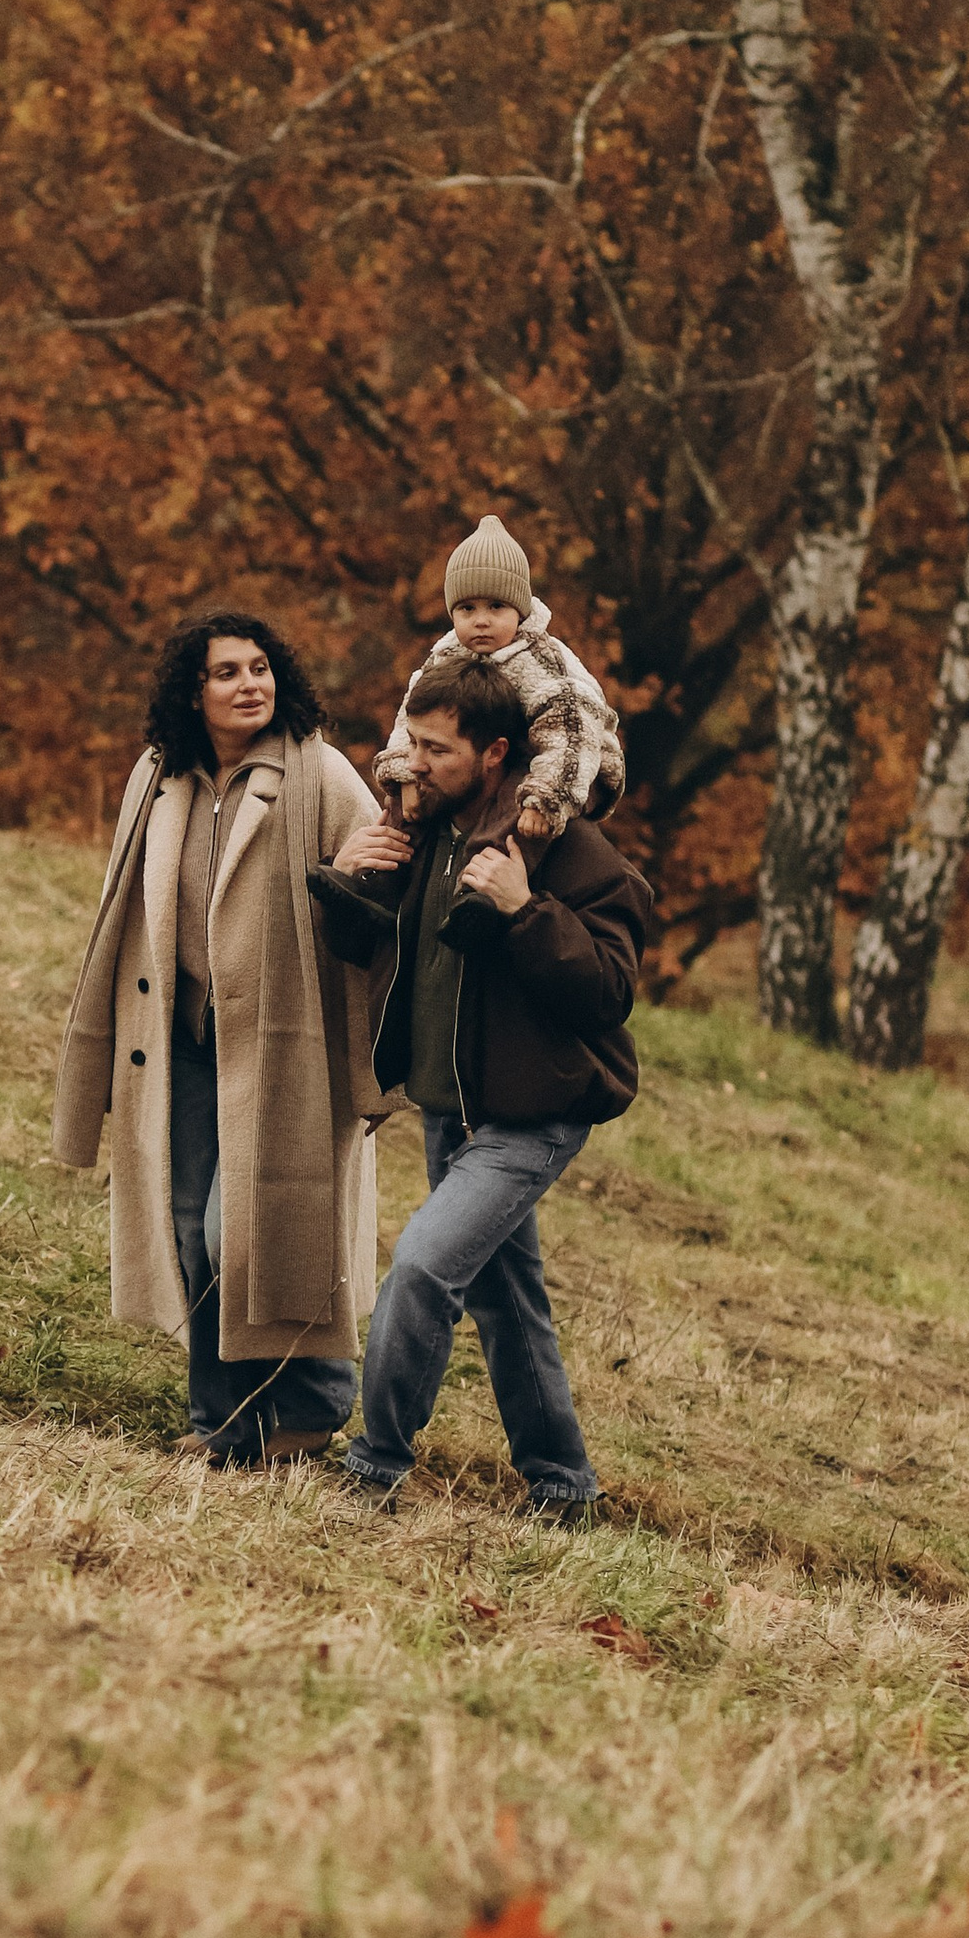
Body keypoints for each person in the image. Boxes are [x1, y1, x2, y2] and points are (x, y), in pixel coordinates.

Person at [310, 650, 653, 1522]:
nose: (412, 763)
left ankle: (375, 1464)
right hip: (450, 1107)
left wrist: (525, 911)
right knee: (507, 1302)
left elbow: (611, 991)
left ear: (496, 753)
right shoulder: (427, 829)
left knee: (422, 1268)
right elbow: (381, 955)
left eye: (436, 749)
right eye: (411, 742)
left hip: (532, 1115)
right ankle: (564, 1485)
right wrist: (351, 877)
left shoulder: (565, 847)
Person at [53, 612, 385, 1468]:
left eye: (262, 668)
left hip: (286, 1053)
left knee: (261, 1230)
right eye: (228, 672)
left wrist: (357, 878)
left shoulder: (322, 776)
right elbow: (120, 911)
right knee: (187, 1222)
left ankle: (311, 1410)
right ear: (191, 693)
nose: (250, 684)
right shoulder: (159, 780)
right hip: (182, 1045)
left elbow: (381, 900)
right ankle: (221, 1423)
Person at [375, 518, 625, 849]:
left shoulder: (544, 663)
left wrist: (547, 797)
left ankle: (486, 882)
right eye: (467, 608)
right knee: (413, 792)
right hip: (498, 754)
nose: (481, 620)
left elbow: (572, 736)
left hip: (576, 767)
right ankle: (380, 877)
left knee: (515, 795)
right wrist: (404, 773)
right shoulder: (446, 655)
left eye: (496, 606)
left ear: (519, 610)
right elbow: (412, 719)